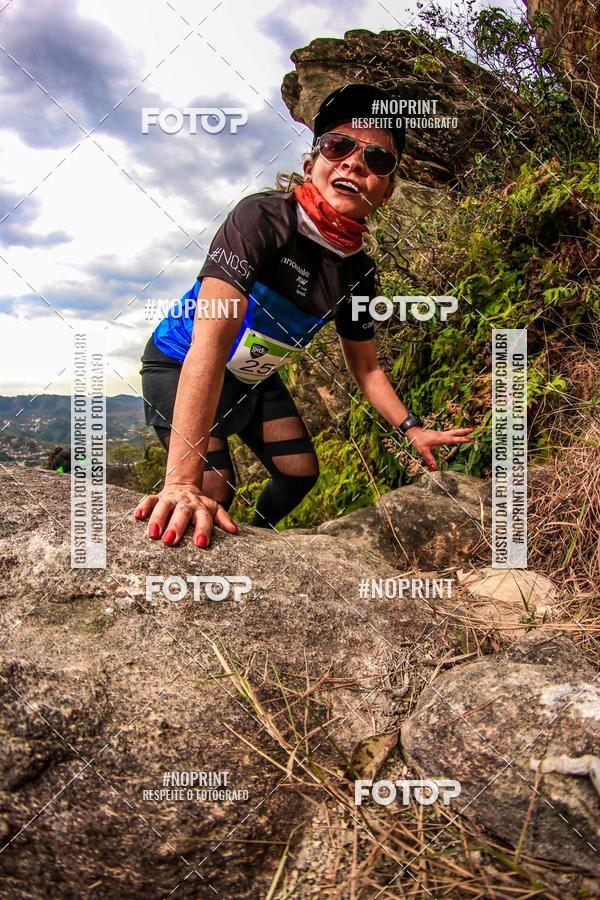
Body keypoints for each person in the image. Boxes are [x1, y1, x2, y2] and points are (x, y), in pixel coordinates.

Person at [136, 83, 474, 548]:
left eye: (377, 160)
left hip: (251, 377)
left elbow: (368, 367)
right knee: (213, 487)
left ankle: (257, 542)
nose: (354, 162)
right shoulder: (262, 220)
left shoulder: (358, 271)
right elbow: (209, 345)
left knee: (299, 473)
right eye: (338, 146)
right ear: (311, 164)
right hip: (181, 361)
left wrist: (412, 429)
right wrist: (180, 483)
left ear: (387, 192)